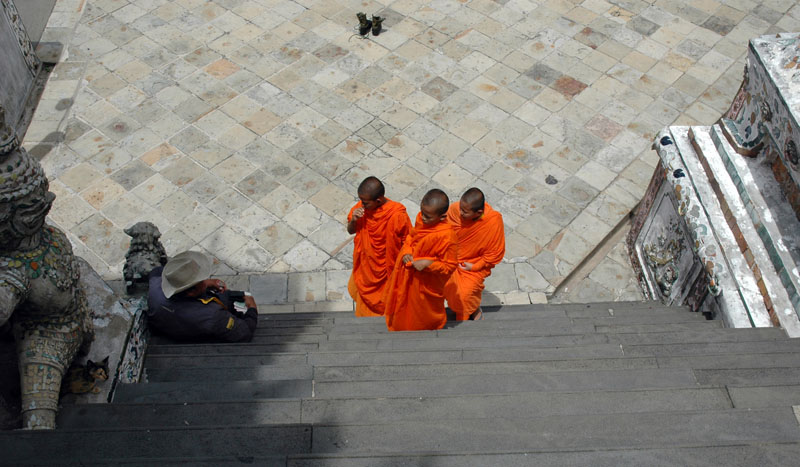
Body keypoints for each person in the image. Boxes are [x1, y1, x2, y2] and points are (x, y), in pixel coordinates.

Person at [383, 189, 458, 331]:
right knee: (403, 307)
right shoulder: (421, 219)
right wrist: (407, 251)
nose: (422, 218)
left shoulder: (448, 236)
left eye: (428, 216)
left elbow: (450, 266)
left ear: (442, 217)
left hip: (427, 285)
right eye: (422, 212)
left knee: (424, 315)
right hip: (408, 276)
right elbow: (411, 237)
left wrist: (428, 264)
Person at [147, 251, 258, 342]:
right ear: (192, 292)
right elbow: (244, 333)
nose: (205, 280)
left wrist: (206, 284)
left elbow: (156, 271)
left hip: (170, 328)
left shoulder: (155, 286)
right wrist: (252, 308)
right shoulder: (213, 316)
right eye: (202, 280)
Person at [347, 176, 412, 317]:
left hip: (388, 268)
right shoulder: (360, 209)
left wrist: (407, 253)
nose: (362, 205)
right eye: (361, 201)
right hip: (366, 268)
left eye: (365, 203)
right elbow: (351, 230)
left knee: (388, 302)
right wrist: (353, 220)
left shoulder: (396, 214)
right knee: (365, 300)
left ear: (378, 200)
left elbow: (408, 239)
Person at [444, 187, 505, 321]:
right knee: (448, 287)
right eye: (460, 208)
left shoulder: (493, 221)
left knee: (465, 294)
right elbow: (442, 229)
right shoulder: (454, 210)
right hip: (451, 259)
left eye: (465, 212)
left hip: (475, 264)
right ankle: (464, 312)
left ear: (479, 212)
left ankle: (469, 312)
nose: (460, 212)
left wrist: (474, 266)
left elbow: (494, 253)